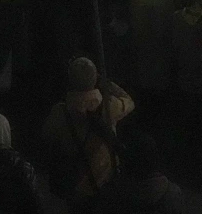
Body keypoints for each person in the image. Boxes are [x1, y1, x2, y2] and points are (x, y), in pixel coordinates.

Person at [40, 56, 134, 208]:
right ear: (94, 78)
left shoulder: (60, 112)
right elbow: (128, 100)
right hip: (106, 184)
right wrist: (106, 83)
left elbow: (47, 136)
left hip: (75, 186)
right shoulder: (109, 107)